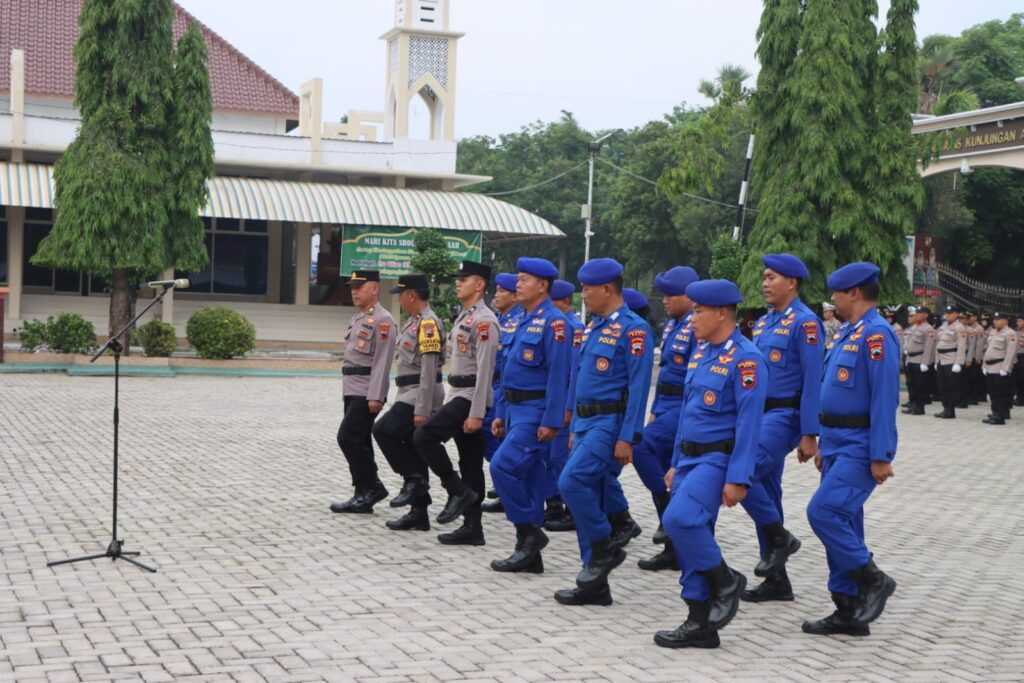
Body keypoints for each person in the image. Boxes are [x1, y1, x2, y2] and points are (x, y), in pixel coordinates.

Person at [653, 279, 765, 648]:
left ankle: (726, 581)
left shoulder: (746, 359)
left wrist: (739, 478)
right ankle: (699, 621)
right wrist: (674, 461)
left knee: (678, 519)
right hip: (688, 457)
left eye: (699, 311)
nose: (694, 318)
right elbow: (688, 412)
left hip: (718, 458)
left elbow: (750, 426)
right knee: (690, 535)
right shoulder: (702, 353)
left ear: (721, 313)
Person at [801, 262, 899, 637]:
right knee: (845, 522)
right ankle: (848, 607)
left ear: (855, 293)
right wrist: (824, 440)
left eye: (838, 294)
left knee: (823, 513)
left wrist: (881, 455)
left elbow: (883, 397)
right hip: (839, 442)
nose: (834, 301)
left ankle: (873, 579)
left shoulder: (877, 335)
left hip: (861, 446)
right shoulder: (848, 333)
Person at [554, 258, 654, 607]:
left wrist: (629, 436)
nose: (582, 295)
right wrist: (573, 424)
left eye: (587, 289)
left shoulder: (634, 329)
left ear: (608, 289)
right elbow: (580, 376)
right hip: (584, 423)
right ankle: (593, 583)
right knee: (590, 494)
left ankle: (604, 547)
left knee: (571, 482)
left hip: (609, 424)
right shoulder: (593, 326)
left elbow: (639, 389)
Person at [740, 254, 823, 603]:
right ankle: (777, 579)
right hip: (761, 414)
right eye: (764, 277)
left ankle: (779, 538)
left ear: (792, 282)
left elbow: (813, 379)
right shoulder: (766, 322)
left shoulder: (806, 323)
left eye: (771, 277)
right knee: (768, 492)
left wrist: (809, 433)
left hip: (785, 415)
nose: (764, 283)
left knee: (743, 470)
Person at [488, 257, 571, 573]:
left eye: (524, 279)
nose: (517, 284)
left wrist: (551, 420)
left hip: (536, 412)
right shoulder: (521, 319)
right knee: (533, 476)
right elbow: (509, 372)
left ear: (543, 285)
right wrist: (501, 412)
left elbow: (558, 376)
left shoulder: (555, 323)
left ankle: (530, 533)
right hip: (514, 409)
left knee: (503, 467)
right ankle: (528, 554)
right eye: (518, 279)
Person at [413, 261, 500, 543]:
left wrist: (477, 412)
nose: (458, 282)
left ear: (480, 285)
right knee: (471, 462)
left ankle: (457, 490)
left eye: (465, 278)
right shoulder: (464, 317)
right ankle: (473, 528)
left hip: (471, 397)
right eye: (458, 278)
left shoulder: (484, 321)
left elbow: (485, 371)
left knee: (424, 436)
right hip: (459, 393)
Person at [633, 266, 699, 573]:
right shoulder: (673, 326)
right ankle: (672, 541)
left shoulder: (698, 325)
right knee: (653, 455)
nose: (665, 301)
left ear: (689, 295)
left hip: (685, 406)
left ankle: (670, 519)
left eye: (671, 295)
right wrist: (656, 408)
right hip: (667, 404)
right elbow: (665, 375)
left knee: (641, 447)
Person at [371, 273, 446, 530]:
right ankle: (419, 513)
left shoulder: (427, 325)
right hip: (408, 392)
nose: (399, 300)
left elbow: (429, 370)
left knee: (383, 430)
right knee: (413, 448)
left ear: (412, 294)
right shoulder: (413, 322)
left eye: (401, 294)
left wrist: (423, 408)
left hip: (419, 394)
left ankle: (413, 480)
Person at [330, 270, 397, 514]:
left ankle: (373, 485)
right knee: (360, 440)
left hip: (367, 391)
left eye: (360, 286)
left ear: (375, 288)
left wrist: (377, 395)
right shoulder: (357, 319)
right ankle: (362, 493)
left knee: (347, 437)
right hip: (352, 388)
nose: (354, 291)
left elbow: (382, 360)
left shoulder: (383, 320)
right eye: (352, 287)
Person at [544, 278, 585, 532]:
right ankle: (554, 503)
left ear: (564, 302)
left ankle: (569, 508)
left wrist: (567, 408)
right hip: (556, 399)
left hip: (565, 401)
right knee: (551, 456)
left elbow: (570, 372)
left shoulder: (573, 328)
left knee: (560, 457)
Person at [481, 273, 525, 514]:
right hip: (494, 383)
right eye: (496, 290)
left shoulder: (519, 321)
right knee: (491, 434)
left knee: (493, 431)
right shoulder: (502, 319)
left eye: (501, 291)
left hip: (505, 386)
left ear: (514, 296)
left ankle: (509, 481)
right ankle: (504, 483)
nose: (496, 295)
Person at [982, 312, 1017, 425]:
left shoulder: (1010, 333)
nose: (995, 321)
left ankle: (1000, 416)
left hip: (1000, 367)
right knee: (992, 393)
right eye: (994, 319)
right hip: (990, 367)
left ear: (1005, 320)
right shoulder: (993, 332)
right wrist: (984, 365)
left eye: (998, 319)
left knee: (1000, 393)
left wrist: (1006, 368)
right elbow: (989, 350)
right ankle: (995, 413)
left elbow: (1011, 352)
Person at [933, 305, 967, 419]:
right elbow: (938, 344)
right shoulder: (943, 326)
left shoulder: (959, 327)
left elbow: (961, 346)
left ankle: (950, 409)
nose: (947, 315)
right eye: (947, 313)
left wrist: (958, 362)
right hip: (941, 360)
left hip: (951, 359)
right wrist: (936, 360)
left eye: (950, 313)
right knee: (942, 385)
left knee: (951, 385)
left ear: (956, 314)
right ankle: (945, 407)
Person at [901, 306, 935, 416]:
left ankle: (920, 407)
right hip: (911, 359)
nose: (917, 315)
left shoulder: (928, 329)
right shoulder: (914, 327)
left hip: (919, 360)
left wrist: (925, 362)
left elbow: (929, 347)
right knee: (912, 384)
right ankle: (913, 405)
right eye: (917, 313)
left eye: (920, 313)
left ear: (926, 315)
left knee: (920, 385)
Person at [1015, 316, 1024, 407]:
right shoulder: (1016, 332)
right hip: (1017, 356)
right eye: (1017, 321)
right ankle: (1019, 397)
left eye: (1020, 321)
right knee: (1018, 378)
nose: (1018, 323)